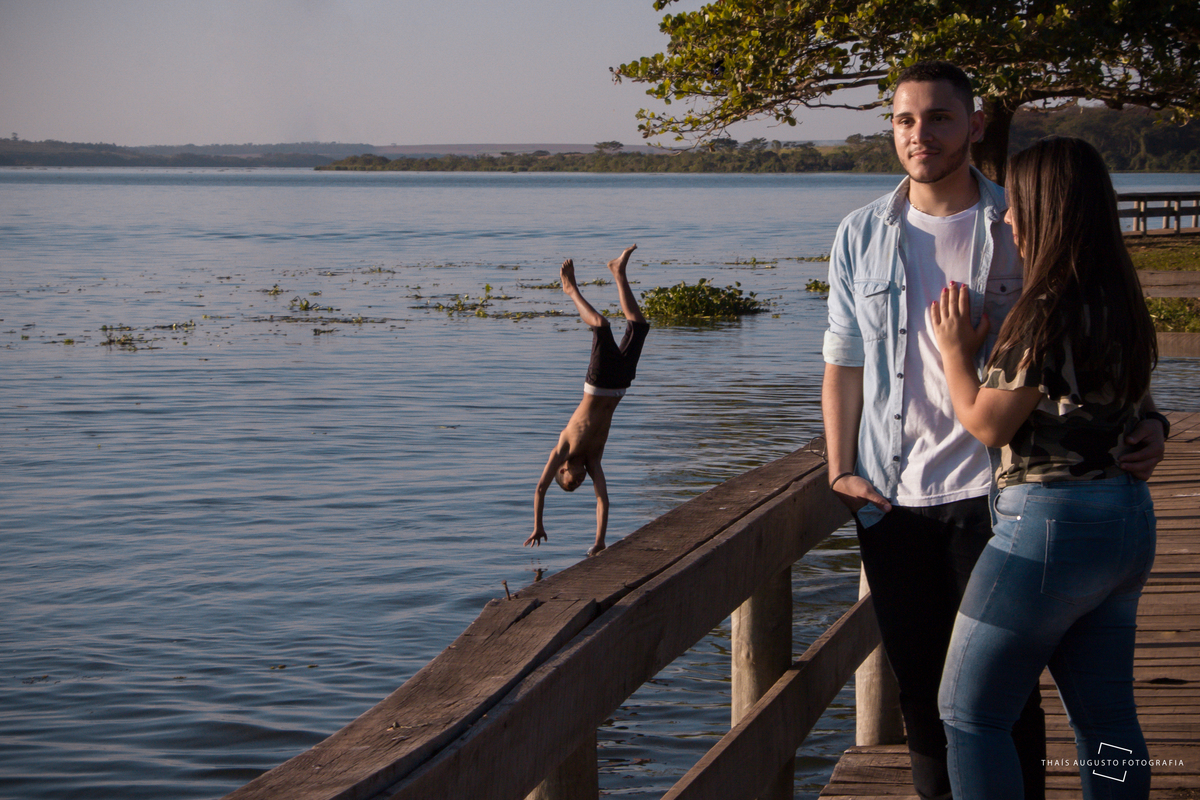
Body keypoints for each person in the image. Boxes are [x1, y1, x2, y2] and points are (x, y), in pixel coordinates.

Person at [820, 61, 1165, 800]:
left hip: (1004, 498)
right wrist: (837, 467)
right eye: (905, 120)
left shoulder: (1025, 220)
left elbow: (1061, 347)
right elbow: (843, 360)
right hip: (894, 494)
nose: (920, 135)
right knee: (926, 689)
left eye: (939, 117)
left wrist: (1152, 420)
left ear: (974, 125)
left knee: (987, 706)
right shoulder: (860, 235)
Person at [933, 137, 1164, 799]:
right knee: (1106, 717)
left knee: (969, 713)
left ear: (1046, 210)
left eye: (1017, 206)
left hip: (1049, 529)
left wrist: (955, 352)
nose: (1006, 219)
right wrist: (1158, 425)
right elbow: (1131, 402)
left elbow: (987, 422)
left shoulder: (1043, 309)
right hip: (1126, 524)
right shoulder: (1119, 301)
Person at [526, 245, 649, 557]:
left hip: (596, 385)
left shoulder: (563, 449)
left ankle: (571, 290)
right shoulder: (593, 460)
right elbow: (603, 500)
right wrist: (599, 541)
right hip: (620, 386)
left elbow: (540, 488)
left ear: (563, 471)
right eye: (579, 485)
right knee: (639, 324)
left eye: (570, 483)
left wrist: (538, 523)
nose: (579, 482)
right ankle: (618, 271)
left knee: (601, 324)